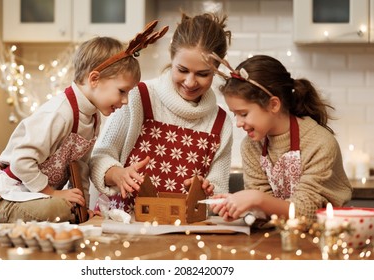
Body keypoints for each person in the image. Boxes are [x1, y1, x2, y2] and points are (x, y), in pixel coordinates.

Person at [0, 22, 167, 223]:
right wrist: (53, 193)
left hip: (39, 198)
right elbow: (21, 161)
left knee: (70, 212)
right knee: (59, 209)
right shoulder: (60, 113)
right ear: (94, 79)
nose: (126, 100)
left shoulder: (93, 118)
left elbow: (80, 169)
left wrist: (82, 208)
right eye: (122, 91)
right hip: (9, 198)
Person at [90, 12, 234, 214]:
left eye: (203, 74)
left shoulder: (221, 122)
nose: (190, 82)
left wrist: (205, 190)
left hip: (185, 235)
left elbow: (218, 196)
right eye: (182, 70)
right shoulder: (137, 97)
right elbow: (100, 156)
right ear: (171, 56)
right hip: (124, 224)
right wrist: (117, 174)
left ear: (217, 69)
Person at [205, 54, 352, 224]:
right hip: (278, 235)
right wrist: (243, 208)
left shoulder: (320, 143)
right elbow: (266, 212)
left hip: (324, 235)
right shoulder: (252, 146)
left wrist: (256, 199)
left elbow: (308, 212)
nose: (238, 123)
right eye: (235, 114)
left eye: (244, 114)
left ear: (274, 104)